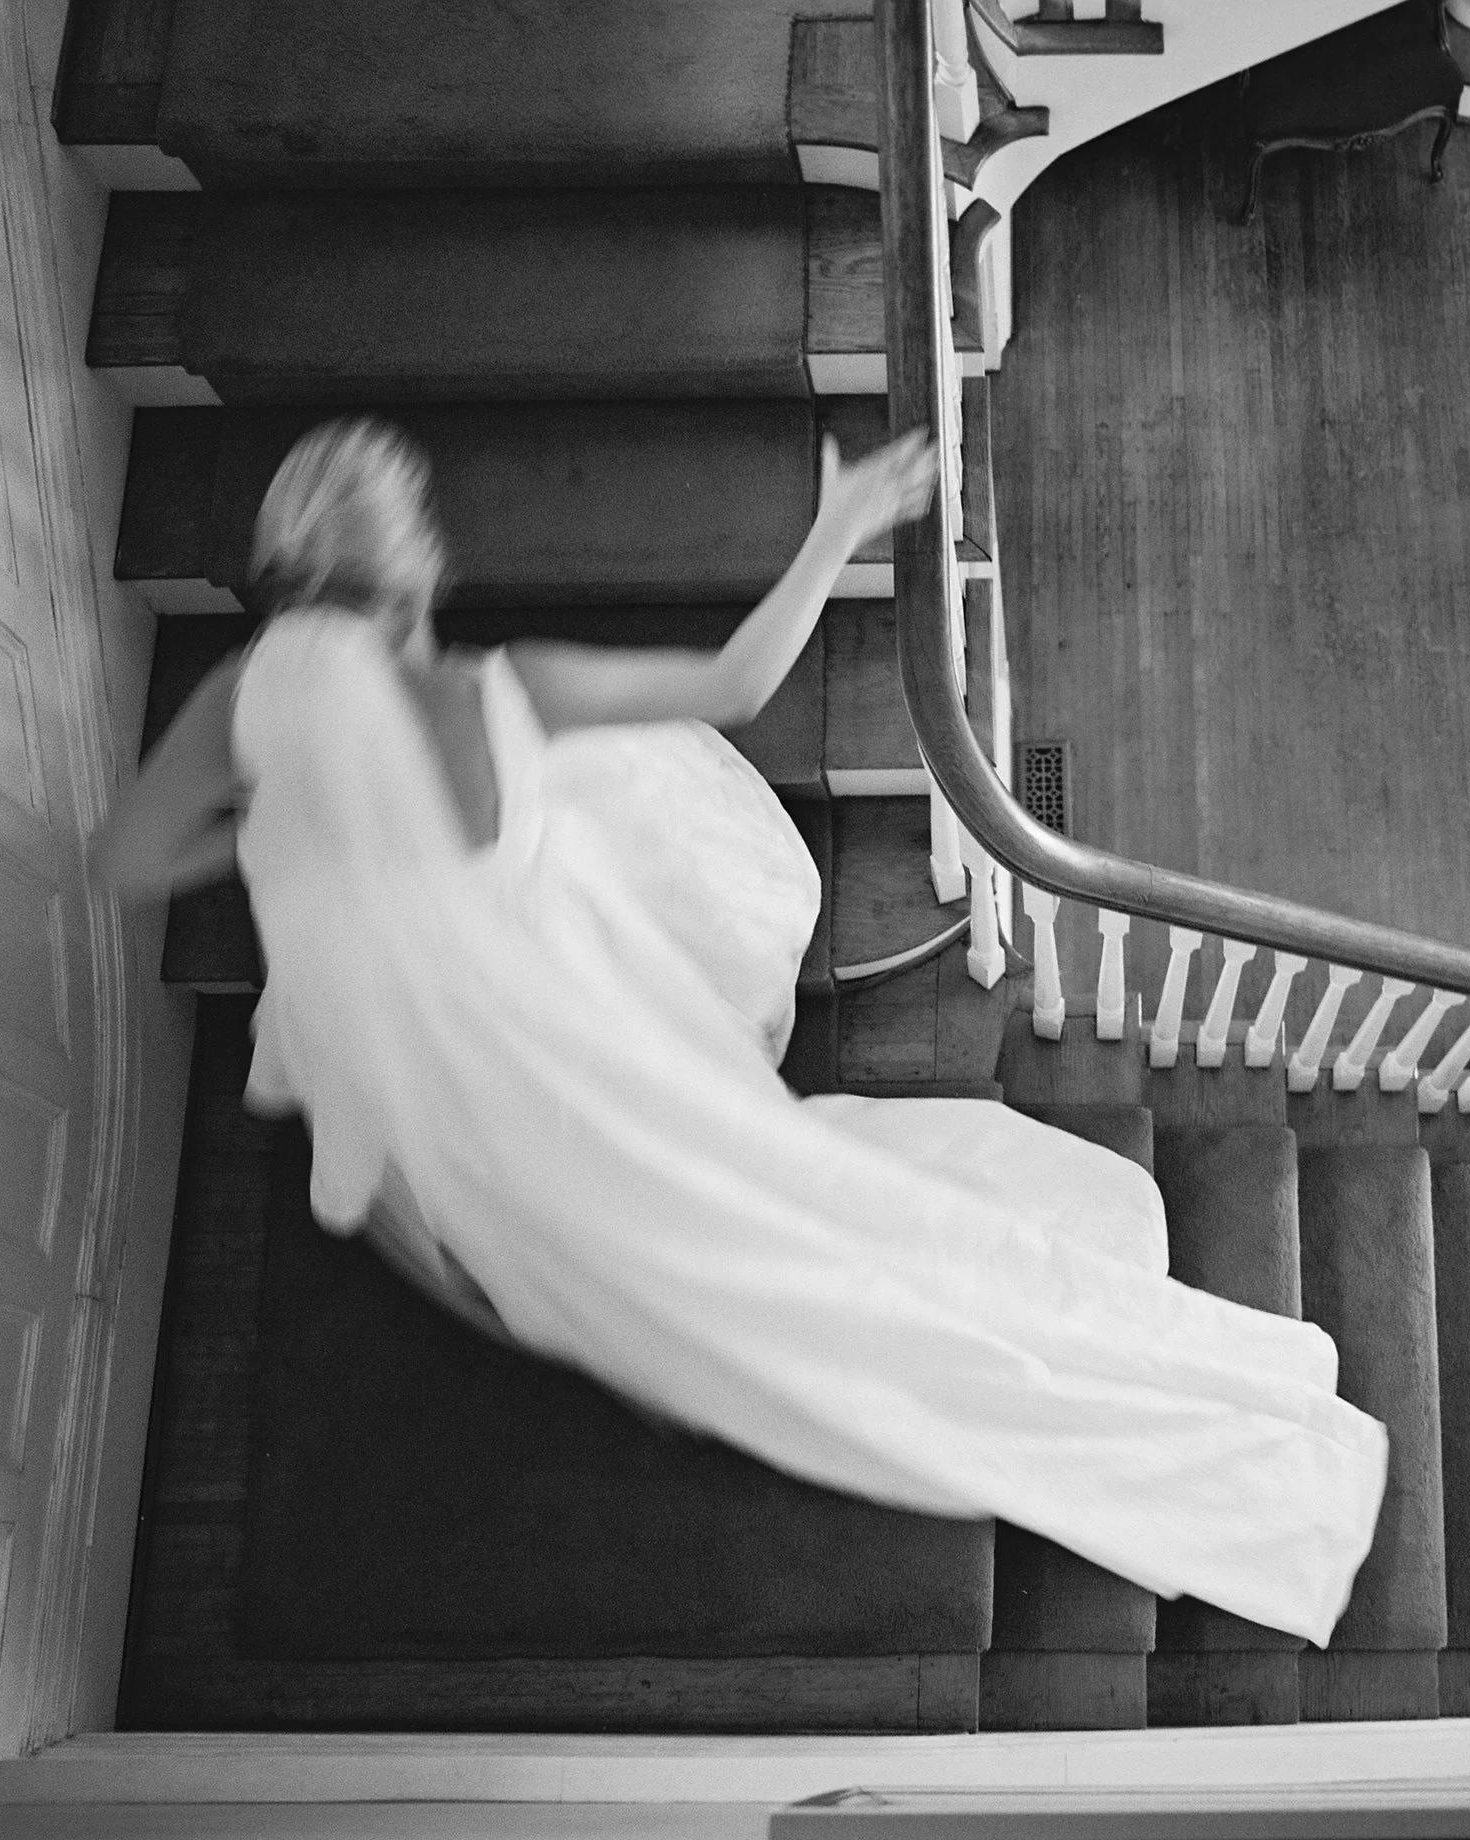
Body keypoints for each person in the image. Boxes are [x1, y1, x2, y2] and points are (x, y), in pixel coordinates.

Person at [94, 418, 1388, 1646]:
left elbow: (133, 858)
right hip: (584, 1044)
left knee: (772, 1263)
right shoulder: (506, 691)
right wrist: (837, 523)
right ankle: (1216, 1440)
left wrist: (298, 831)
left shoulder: (240, 709)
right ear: (404, 567)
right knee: (805, 1216)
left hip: (492, 1139)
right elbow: (736, 677)